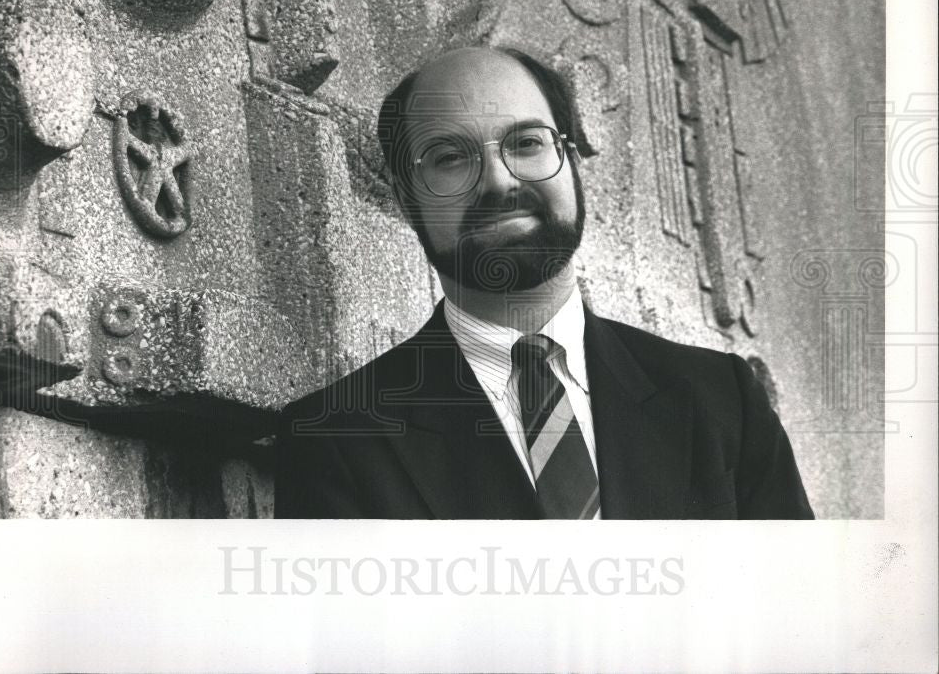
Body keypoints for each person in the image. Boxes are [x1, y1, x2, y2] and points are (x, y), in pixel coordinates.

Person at [274, 46, 814, 520]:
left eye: (526, 143)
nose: (499, 181)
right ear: (404, 195)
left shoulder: (724, 401)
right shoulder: (334, 439)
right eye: (449, 158)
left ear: (571, 158)